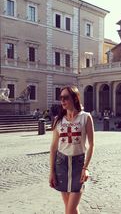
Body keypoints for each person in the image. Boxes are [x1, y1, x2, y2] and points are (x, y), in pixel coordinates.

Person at [49, 85, 95, 214]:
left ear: (75, 98)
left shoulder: (85, 117)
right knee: (70, 208)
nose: (62, 101)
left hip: (78, 165)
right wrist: (51, 172)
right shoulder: (58, 121)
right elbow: (53, 148)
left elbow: (91, 145)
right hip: (61, 164)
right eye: (61, 98)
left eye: (66, 98)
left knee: (70, 210)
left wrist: (85, 168)